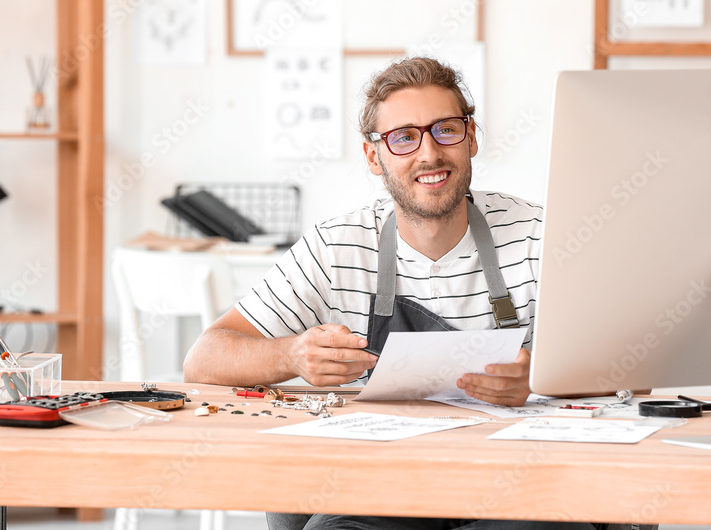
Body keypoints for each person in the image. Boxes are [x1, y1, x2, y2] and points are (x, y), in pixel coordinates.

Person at [184, 58, 636, 530]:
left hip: (523, 482)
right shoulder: (336, 246)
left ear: (472, 136)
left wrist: (546, 378)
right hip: (385, 483)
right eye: (403, 137)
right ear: (373, 155)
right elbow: (204, 359)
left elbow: (634, 367)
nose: (429, 153)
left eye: (445, 129)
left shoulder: (544, 237)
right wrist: (293, 355)